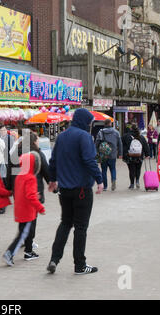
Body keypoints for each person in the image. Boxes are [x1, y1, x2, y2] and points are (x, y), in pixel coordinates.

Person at [47, 108, 104, 275]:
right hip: (82, 190)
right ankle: (80, 265)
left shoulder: (62, 136)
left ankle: (54, 259)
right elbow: (89, 160)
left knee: (65, 223)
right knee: (80, 227)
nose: (90, 125)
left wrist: (52, 179)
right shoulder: (84, 136)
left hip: (64, 190)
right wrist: (99, 179)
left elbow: (53, 161)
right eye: (90, 122)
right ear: (84, 122)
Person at [3, 152, 45, 266]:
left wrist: (34, 196)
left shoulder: (19, 175)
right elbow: (30, 196)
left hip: (20, 209)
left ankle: (28, 251)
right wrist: (40, 207)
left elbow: (23, 193)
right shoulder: (30, 178)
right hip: (27, 211)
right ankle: (10, 253)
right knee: (24, 233)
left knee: (22, 232)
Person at [95, 119, 123, 191]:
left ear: (105, 124)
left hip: (103, 154)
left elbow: (97, 142)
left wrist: (96, 151)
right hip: (113, 153)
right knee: (113, 168)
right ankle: (113, 180)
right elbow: (120, 143)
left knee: (104, 170)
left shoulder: (101, 132)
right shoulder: (116, 132)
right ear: (110, 124)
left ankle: (105, 186)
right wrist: (120, 153)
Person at [122, 124, 150, 190]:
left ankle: (132, 184)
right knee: (138, 169)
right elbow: (145, 145)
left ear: (131, 129)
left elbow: (123, 145)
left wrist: (123, 154)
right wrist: (147, 154)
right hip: (139, 156)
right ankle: (137, 181)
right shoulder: (141, 137)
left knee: (131, 170)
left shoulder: (126, 136)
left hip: (130, 156)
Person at [0, 125, 15, 214]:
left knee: (7, 179)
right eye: (1, 130)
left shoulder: (10, 138)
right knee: (3, 181)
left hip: (8, 161)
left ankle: (9, 191)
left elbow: (12, 150)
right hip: (0, 162)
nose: (3, 131)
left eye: (4, 130)